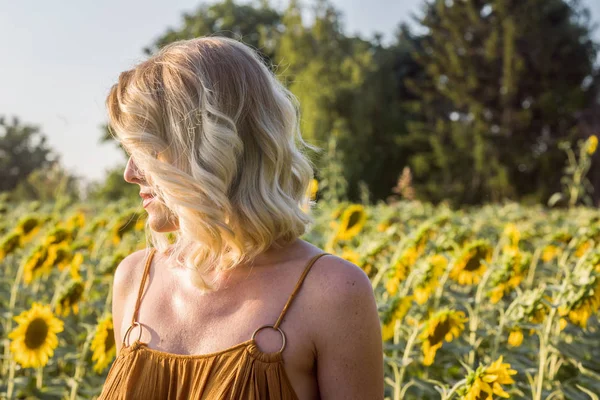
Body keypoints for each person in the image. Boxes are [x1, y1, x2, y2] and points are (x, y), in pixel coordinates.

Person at [98, 36, 383, 399]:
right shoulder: (134, 279)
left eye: (147, 150)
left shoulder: (332, 292)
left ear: (210, 149)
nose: (130, 172)